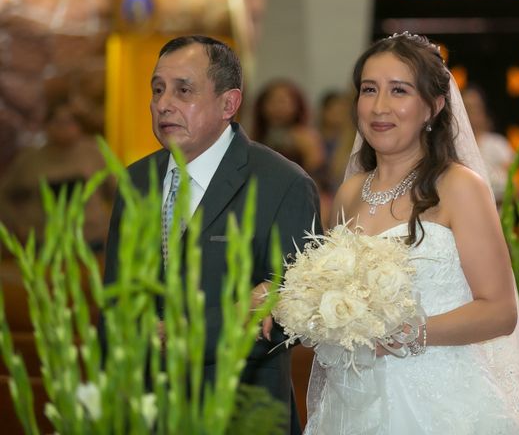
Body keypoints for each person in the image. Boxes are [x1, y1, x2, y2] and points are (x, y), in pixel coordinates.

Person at [304, 33, 519, 434]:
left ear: (433, 106)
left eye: (399, 91)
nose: (380, 107)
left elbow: (500, 311)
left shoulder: (459, 187)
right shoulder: (349, 192)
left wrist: (402, 334)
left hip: (442, 401)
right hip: (352, 401)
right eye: (369, 90)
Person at [103, 36, 321, 434]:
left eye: (183, 90)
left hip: (240, 411)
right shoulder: (136, 180)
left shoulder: (281, 183)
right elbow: (117, 298)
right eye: (157, 89)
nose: (163, 103)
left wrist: (181, 334)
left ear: (229, 103)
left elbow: (294, 312)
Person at [0, 95, 114, 250]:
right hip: (43, 240)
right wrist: (18, 224)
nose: (64, 127)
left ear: (79, 125)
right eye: (58, 122)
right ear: (47, 125)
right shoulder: (30, 158)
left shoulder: (95, 152)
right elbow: (4, 193)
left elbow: (119, 191)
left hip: (90, 239)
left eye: (69, 122)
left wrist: (110, 225)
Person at [252, 79, 326, 179]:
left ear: (296, 106)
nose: (277, 107)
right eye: (272, 101)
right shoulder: (256, 136)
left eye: (282, 101)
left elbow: (315, 171)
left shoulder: (306, 137)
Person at [462, 84, 514, 204]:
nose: (472, 113)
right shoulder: (450, 147)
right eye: (467, 108)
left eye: (475, 107)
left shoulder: (497, 144)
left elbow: (515, 184)